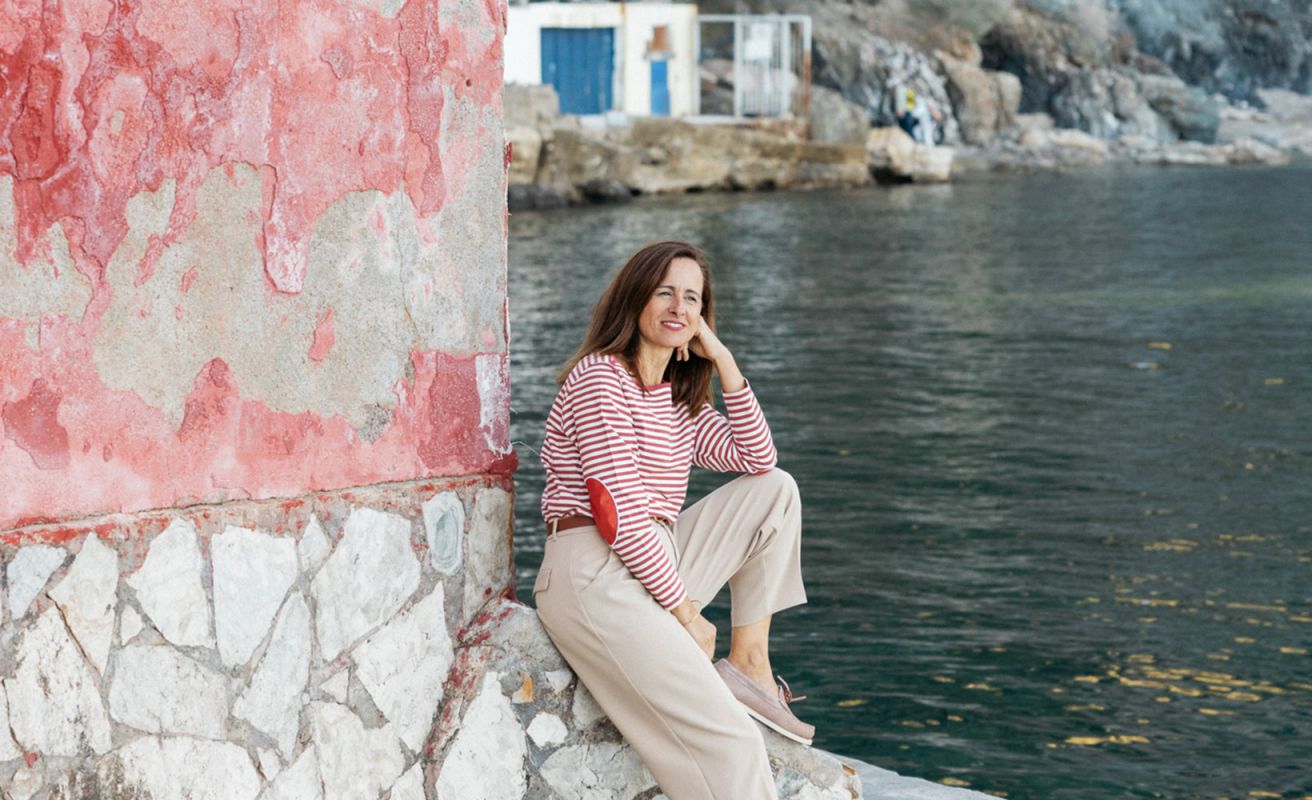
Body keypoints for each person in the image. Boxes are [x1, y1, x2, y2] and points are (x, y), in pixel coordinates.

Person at [533, 241, 812, 799]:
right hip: (594, 568)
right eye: (665, 292)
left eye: (693, 298)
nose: (679, 307)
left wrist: (725, 363)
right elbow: (620, 516)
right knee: (731, 744)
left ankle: (750, 664)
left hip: (651, 558)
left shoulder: (677, 402)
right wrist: (685, 612)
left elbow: (758, 460)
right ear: (635, 297)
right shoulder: (599, 379)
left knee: (776, 492)